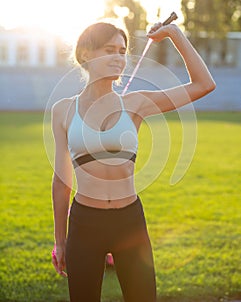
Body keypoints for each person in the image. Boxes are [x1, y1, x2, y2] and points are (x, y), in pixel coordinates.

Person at [51, 20, 216, 302]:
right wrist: (60, 240)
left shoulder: (136, 104)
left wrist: (174, 34)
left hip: (129, 221)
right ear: (86, 54)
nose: (119, 56)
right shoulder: (63, 110)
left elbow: (204, 84)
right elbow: (61, 181)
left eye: (122, 50)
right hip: (84, 223)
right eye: (110, 49)